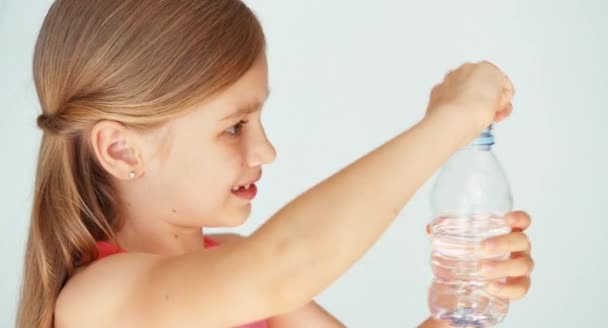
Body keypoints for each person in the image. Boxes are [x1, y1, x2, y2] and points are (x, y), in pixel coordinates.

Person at [16, 0, 534, 327]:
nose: (266, 151)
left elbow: (275, 274)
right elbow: (282, 267)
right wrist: (449, 123)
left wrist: (463, 305)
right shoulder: (98, 302)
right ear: (122, 149)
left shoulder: (246, 274)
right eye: (234, 127)